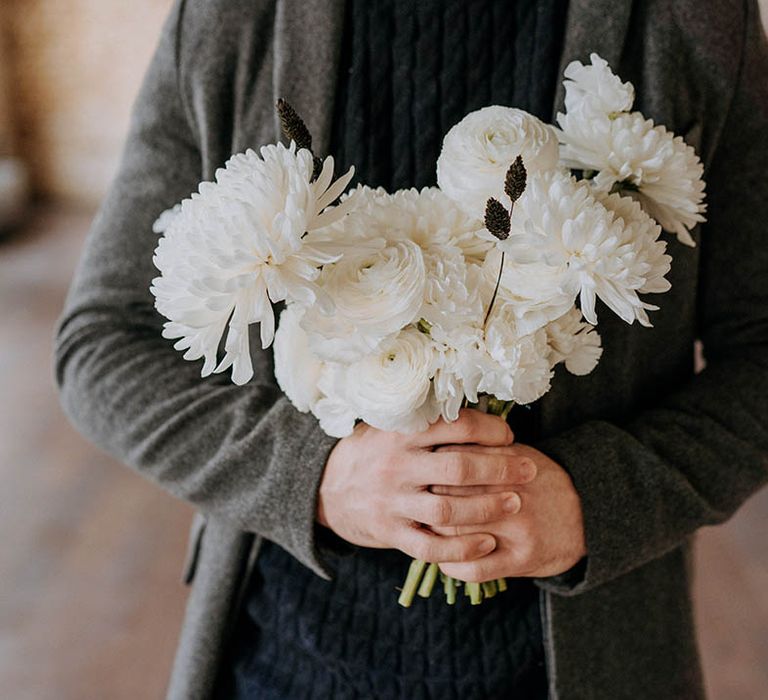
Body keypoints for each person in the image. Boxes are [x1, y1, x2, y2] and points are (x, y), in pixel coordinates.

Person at [54, 1, 768, 698]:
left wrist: (600, 499)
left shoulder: (697, 16)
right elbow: (102, 343)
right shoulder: (228, 18)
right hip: (283, 656)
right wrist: (316, 480)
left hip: (589, 662)